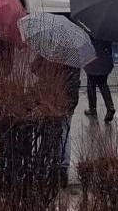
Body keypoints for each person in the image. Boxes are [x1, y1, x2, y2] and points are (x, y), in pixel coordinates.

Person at [31, 57, 81, 187]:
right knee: (65, 132)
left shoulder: (49, 52)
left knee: (49, 130)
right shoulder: (74, 57)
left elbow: (34, 67)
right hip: (68, 99)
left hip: (51, 98)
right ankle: (63, 168)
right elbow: (74, 82)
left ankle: (49, 164)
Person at [82, 36, 116, 123]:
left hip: (93, 62)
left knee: (91, 85)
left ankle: (92, 109)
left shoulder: (90, 31)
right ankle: (110, 107)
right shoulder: (107, 32)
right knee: (103, 84)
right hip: (105, 63)